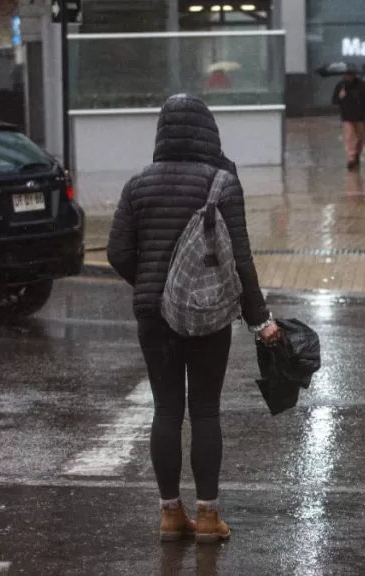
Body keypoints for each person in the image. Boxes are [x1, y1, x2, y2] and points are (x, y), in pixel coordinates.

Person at [107, 94, 281, 544]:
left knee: (166, 409)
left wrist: (151, 286)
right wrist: (260, 320)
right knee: (205, 410)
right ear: (209, 131)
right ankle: (207, 517)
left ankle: (169, 514)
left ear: (162, 132)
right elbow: (240, 261)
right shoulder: (223, 183)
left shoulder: (137, 184)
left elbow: (117, 252)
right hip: (208, 316)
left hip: (153, 316)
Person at [332, 69, 365, 171]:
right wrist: (340, 97)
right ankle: (351, 158)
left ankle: (356, 155)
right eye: (347, 75)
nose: (349, 77)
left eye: (350, 75)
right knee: (349, 137)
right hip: (347, 116)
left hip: (359, 116)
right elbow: (334, 101)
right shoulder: (341, 85)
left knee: (359, 138)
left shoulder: (361, 85)